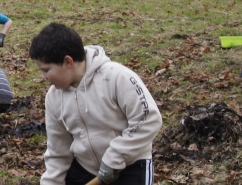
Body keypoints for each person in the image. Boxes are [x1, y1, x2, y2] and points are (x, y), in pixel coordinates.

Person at [29, 23, 162, 185]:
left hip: (131, 165)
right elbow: (58, 150)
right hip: (87, 170)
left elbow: (148, 119)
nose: (44, 77)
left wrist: (115, 158)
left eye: (46, 70)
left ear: (68, 62)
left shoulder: (116, 77)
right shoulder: (54, 97)